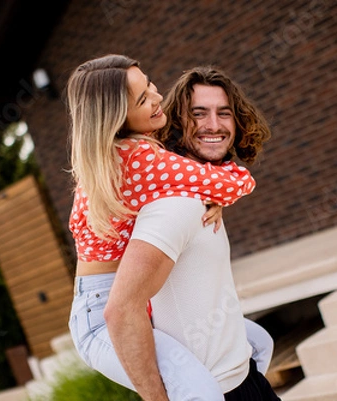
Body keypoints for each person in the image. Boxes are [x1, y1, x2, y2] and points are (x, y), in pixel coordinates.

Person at [67, 54, 274, 400]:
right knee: (201, 392)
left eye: (149, 85)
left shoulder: (112, 155)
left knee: (257, 344)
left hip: (109, 300)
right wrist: (212, 190)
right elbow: (236, 182)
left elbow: (185, 172)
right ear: (118, 118)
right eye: (143, 99)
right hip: (105, 318)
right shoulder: (139, 159)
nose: (157, 97)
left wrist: (203, 189)